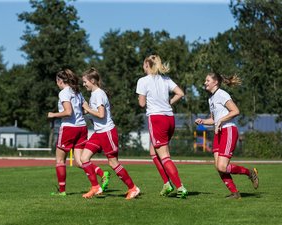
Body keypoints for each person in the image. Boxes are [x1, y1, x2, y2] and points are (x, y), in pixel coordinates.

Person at [195, 72, 259, 199]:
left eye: (207, 80)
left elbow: (235, 111)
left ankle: (250, 173)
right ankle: (235, 193)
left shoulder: (222, 94)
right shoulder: (211, 99)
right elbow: (214, 119)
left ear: (215, 82)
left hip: (228, 130)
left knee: (222, 166)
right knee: (219, 167)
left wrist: (221, 121)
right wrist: (203, 121)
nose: (205, 83)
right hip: (218, 133)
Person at [80, 67, 140, 200]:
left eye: (85, 82)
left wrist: (87, 109)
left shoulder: (99, 94)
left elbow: (101, 115)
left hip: (107, 132)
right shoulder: (94, 94)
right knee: (83, 159)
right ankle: (95, 187)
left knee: (113, 163)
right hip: (98, 133)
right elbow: (93, 112)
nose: (84, 84)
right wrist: (82, 110)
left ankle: (133, 188)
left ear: (93, 80)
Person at [48, 69, 110, 196]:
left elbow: (68, 112)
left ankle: (62, 191)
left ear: (60, 81)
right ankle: (102, 174)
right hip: (82, 127)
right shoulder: (76, 91)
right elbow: (85, 108)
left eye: (57, 81)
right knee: (80, 161)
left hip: (69, 128)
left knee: (60, 161)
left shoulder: (64, 93)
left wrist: (53, 114)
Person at [136, 55, 188, 199]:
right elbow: (180, 93)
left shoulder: (143, 81)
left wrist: (143, 98)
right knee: (153, 152)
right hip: (170, 118)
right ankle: (166, 183)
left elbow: (141, 104)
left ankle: (180, 187)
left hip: (156, 118)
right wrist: (169, 102)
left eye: (143, 64)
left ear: (147, 65)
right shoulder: (166, 79)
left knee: (164, 155)